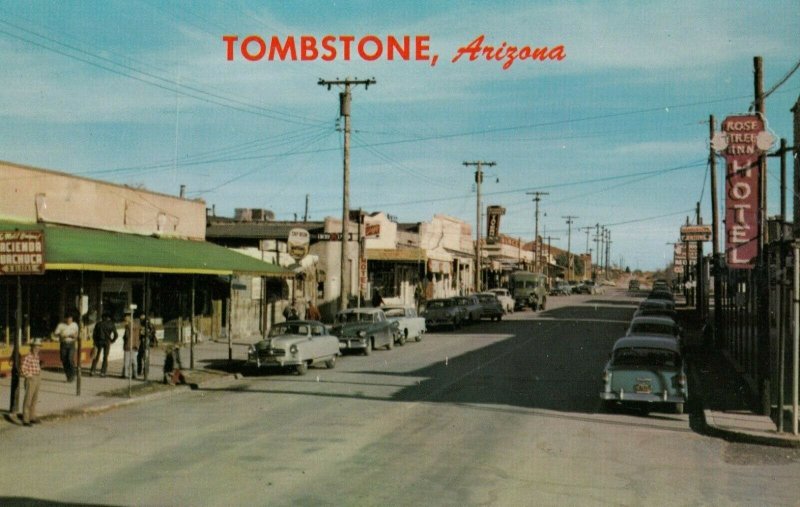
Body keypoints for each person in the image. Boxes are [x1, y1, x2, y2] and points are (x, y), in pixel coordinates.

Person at [21, 338, 43, 426]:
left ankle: (32, 417)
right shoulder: (28, 356)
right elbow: (23, 368)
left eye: (38, 347)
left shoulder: (37, 356)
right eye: (35, 346)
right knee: (28, 399)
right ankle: (25, 419)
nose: (37, 348)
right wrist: (28, 375)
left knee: (35, 399)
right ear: (32, 347)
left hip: (37, 377)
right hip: (31, 378)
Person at [53, 314, 79, 382]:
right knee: (64, 360)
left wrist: (74, 335)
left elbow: (77, 333)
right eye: (68, 320)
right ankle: (68, 376)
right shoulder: (61, 325)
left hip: (71, 343)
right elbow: (55, 333)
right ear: (65, 319)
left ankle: (72, 374)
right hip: (64, 343)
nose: (69, 321)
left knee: (70, 359)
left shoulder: (74, 324)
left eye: (71, 319)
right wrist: (62, 335)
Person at [121, 313, 140, 378]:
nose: (125, 319)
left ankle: (125, 374)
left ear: (129, 318)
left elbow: (126, 336)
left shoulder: (128, 326)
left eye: (126, 318)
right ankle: (135, 374)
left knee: (126, 361)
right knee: (134, 361)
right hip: (135, 345)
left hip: (128, 345)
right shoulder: (137, 326)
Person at [137, 314, 156, 378]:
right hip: (143, 343)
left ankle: (144, 370)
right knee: (141, 357)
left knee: (144, 357)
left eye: (141, 319)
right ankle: (141, 370)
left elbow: (151, 332)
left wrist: (145, 333)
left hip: (145, 342)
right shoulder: (145, 325)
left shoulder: (148, 325)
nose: (140, 320)